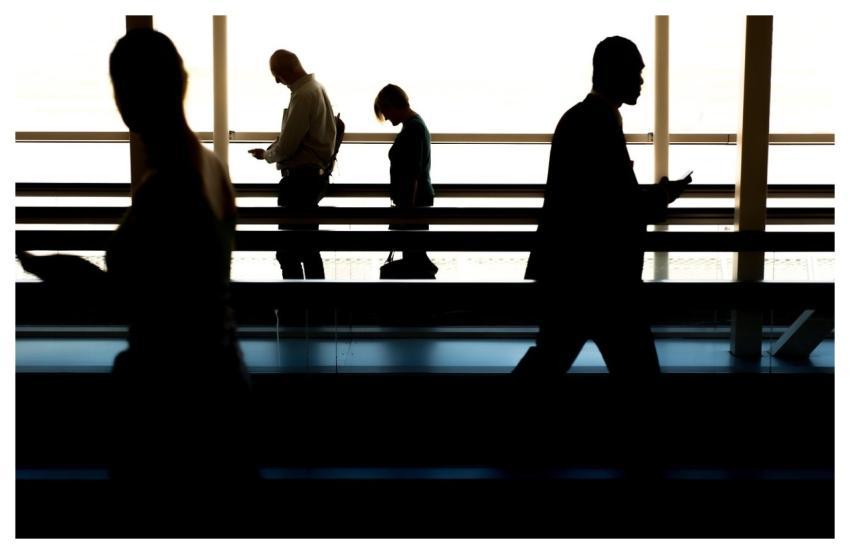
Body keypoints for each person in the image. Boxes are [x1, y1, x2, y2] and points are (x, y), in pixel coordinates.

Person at [19, 29, 256, 507]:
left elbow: (125, 298)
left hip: (168, 396)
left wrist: (51, 268)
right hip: (221, 379)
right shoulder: (213, 167)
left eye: (121, 86)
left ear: (126, 96)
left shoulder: (167, 186)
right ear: (182, 81)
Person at [514, 36, 692, 378]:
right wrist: (662, 196)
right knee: (636, 368)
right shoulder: (599, 122)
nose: (641, 81)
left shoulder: (582, 118)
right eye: (636, 72)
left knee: (549, 359)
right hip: (601, 277)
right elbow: (616, 203)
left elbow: (600, 196)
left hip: (573, 273)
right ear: (615, 73)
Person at [249, 50, 337, 280]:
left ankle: (294, 309)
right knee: (308, 248)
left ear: (287, 70)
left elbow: (288, 144)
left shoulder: (303, 94)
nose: (277, 81)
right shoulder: (317, 89)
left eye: (276, 75)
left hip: (300, 181)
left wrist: (268, 155)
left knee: (287, 250)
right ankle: (316, 311)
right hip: (314, 178)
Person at [374, 84, 437, 275]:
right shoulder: (416, 125)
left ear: (393, 105)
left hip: (413, 204)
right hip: (417, 202)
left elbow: (412, 174)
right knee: (415, 256)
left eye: (385, 111)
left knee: (414, 257)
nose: (385, 117)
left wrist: (405, 213)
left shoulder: (413, 129)